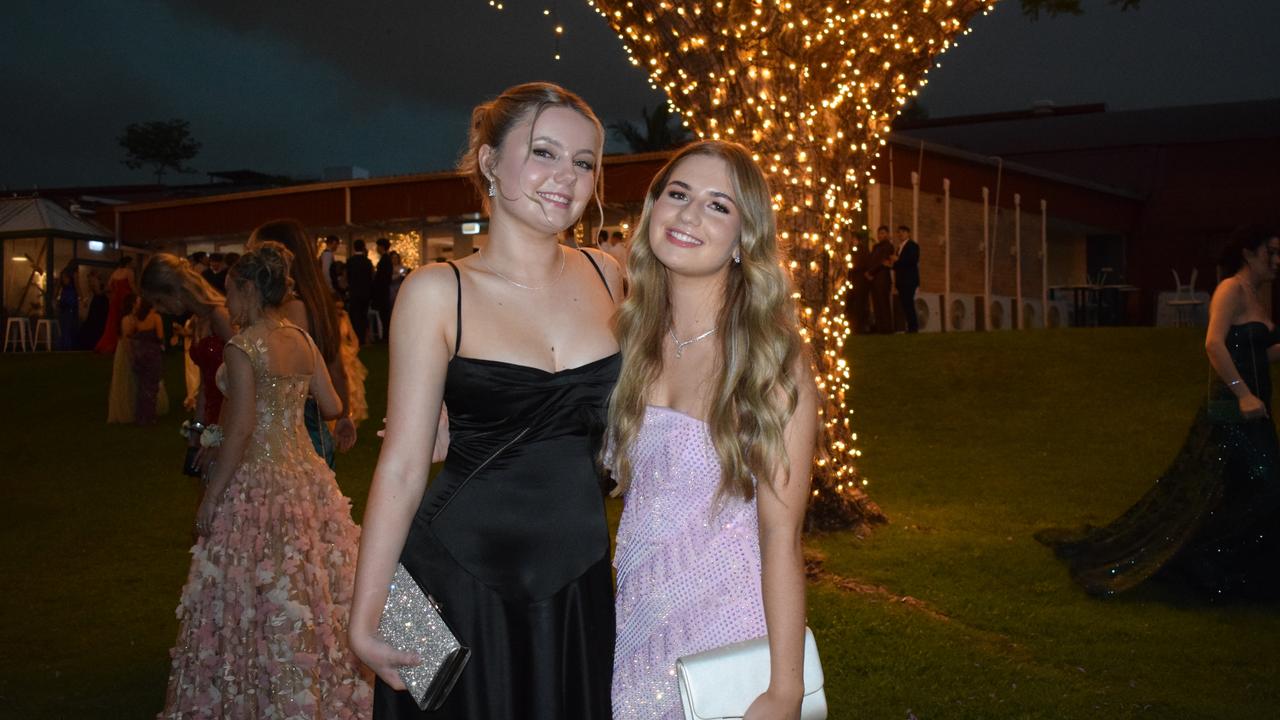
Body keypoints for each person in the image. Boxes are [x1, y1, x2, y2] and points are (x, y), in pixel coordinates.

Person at [350, 81, 623, 719]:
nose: (567, 177)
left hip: (577, 577)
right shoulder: (434, 291)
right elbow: (403, 466)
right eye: (544, 153)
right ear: (489, 162)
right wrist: (366, 614)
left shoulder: (610, 276)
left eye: (584, 163)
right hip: (450, 574)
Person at [608, 140, 818, 719]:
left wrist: (783, 690)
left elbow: (781, 537)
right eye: (678, 194)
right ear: (653, 209)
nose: (690, 214)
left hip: (728, 632)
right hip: (636, 626)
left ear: (743, 239)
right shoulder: (631, 341)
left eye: (718, 205)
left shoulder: (771, 361)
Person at [157, 242, 372, 718]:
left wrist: (211, 497)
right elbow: (334, 405)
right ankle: (316, 681)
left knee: (254, 583)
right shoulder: (301, 337)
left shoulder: (244, 346)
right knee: (313, 580)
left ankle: (257, 688)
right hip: (306, 474)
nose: (227, 302)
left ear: (250, 288)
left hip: (258, 480)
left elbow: (240, 428)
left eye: (231, 290)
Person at [1037, 226, 1280, 599]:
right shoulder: (1230, 289)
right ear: (1249, 253)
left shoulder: (1259, 297)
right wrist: (1242, 394)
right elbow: (1214, 344)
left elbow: (1256, 354)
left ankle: (1236, 568)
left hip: (1256, 405)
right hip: (1231, 408)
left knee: (1242, 491)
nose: (1277, 261)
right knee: (1261, 486)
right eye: (1271, 252)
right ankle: (1207, 567)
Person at [248, 218, 359, 467]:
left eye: (254, 253)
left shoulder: (291, 308)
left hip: (291, 433)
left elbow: (284, 378)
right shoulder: (315, 302)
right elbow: (335, 366)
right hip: (307, 428)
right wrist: (344, 416)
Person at [139, 254, 235, 462]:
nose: (158, 308)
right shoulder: (199, 320)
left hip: (232, 414)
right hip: (213, 413)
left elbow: (244, 377)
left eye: (158, 300)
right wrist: (197, 431)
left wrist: (220, 435)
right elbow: (204, 384)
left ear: (174, 291)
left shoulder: (221, 316)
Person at [123, 296, 166, 425]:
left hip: (139, 353)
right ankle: (149, 416)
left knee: (142, 385)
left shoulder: (137, 319)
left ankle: (140, 415)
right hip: (152, 353)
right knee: (152, 386)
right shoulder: (156, 318)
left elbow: (129, 334)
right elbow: (160, 336)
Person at [94, 256, 136, 354]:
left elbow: (109, 286)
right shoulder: (129, 272)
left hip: (115, 299)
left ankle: (111, 344)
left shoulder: (115, 272)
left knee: (113, 322)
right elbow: (132, 284)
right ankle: (124, 344)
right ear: (128, 263)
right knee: (126, 320)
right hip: (125, 298)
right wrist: (138, 295)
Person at [866, 225, 894, 334]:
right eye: (879, 233)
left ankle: (887, 329)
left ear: (887, 234)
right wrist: (869, 272)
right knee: (876, 305)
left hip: (882, 279)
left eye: (882, 233)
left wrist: (870, 272)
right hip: (874, 280)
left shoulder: (888, 246)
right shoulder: (876, 247)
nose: (880, 235)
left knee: (883, 304)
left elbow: (883, 262)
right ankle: (880, 328)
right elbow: (872, 260)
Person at [892, 224, 920, 333]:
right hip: (901, 280)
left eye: (903, 232)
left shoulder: (913, 245)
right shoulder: (899, 247)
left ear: (908, 233)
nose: (901, 234)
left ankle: (913, 327)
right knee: (905, 304)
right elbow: (898, 264)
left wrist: (897, 259)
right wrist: (892, 264)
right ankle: (910, 326)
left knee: (908, 303)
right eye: (899, 232)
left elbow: (912, 260)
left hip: (909, 280)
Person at [346, 240, 374, 345]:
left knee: (354, 315)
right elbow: (370, 278)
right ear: (363, 248)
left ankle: (356, 338)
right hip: (365, 293)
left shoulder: (350, 261)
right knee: (363, 315)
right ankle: (363, 338)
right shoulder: (367, 262)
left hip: (354, 292)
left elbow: (348, 277)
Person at [55, 263, 80, 349]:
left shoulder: (63, 274)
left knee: (63, 322)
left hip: (64, 297)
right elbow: (77, 287)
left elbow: (58, 287)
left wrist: (54, 299)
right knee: (70, 322)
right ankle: (68, 343)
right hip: (71, 298)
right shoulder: (74, 274)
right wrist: (82, 298)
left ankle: (63, 342)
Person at [373, 237, 393, 342]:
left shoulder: (385, 260)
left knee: (384, 315)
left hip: (383, 292)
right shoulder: (386, 259)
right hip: (384, 291)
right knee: (384, 315)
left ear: (381, 247)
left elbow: (383, 277)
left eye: (378, 246)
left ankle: (386, 336)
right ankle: (385, 336)